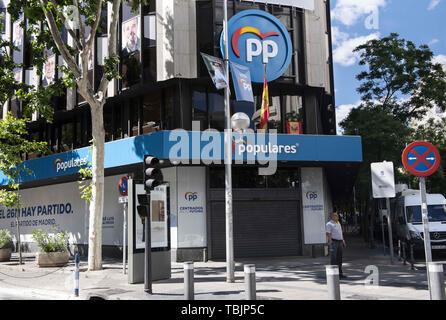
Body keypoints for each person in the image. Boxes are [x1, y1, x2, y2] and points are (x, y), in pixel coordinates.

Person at [326, 211, 347, 279]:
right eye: (336, 216)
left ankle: (340, 274)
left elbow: (340, 232)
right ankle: (334, 275)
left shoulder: (338, 223)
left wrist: (343, 240)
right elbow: (328, 234)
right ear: (332, 217)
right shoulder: (329, 224)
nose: (337, 217)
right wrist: (331, 242)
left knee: (339, 259)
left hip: (340, 242)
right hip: (334, 242)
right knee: (333, 259)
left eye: (337, 216)